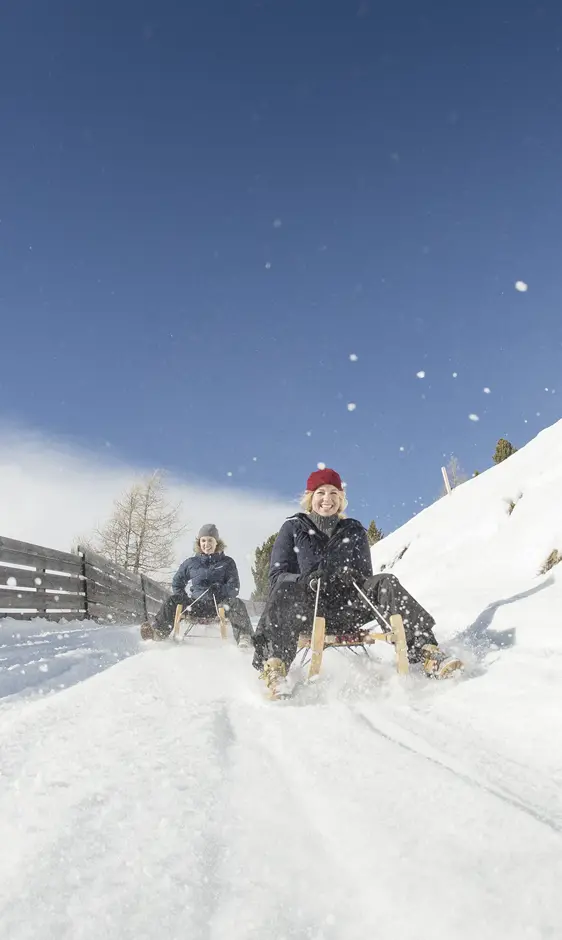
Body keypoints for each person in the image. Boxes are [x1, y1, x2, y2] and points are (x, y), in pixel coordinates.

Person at [252, 468, 462, 694]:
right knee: (285, 587)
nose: (327, 499)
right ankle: (275, 667)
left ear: (341, 499)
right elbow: (277, 576)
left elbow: (366, 578)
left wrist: (352, 576)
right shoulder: (293, 528)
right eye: (321, 492)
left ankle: (427, 651)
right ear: (310, 497)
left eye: (334, 493)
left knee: (386, 582)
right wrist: (306, 581)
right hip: (307, 612)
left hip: (347, 609)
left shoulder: (353, 530)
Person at [140, 524, 253, 647]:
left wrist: (219, 589)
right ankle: (159, 632)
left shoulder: (227, 562)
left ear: (217, 542)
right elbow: (177, 583)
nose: (206, 544)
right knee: (173, 600)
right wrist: (183, 598)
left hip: (219, 605)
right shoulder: (191, 563)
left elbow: (234, 587)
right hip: (195, 605)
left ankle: (244, 637)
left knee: (236, 603)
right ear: (199, 543)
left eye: (210, 540)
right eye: (203, 540)